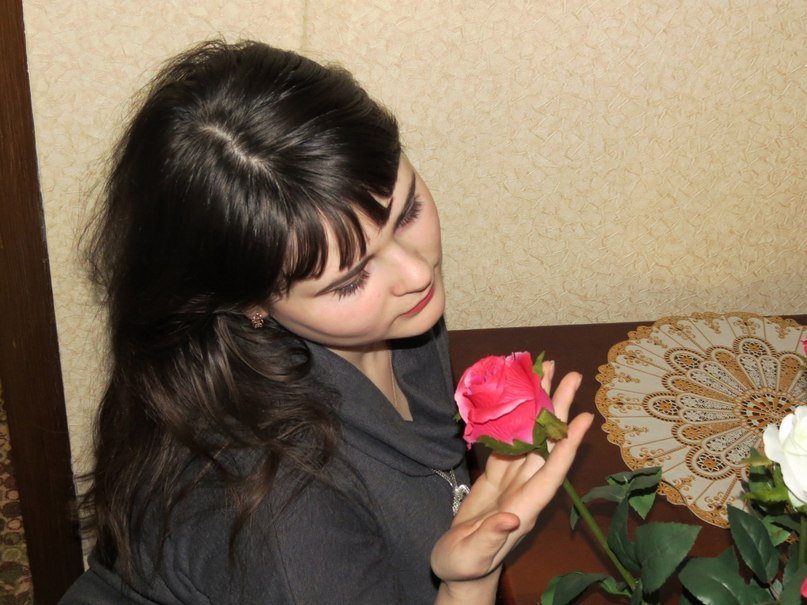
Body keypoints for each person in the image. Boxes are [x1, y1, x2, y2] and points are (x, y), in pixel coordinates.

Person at [60, 39, 592, 604]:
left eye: (406, 212)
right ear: (247, 303)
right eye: (349, 280)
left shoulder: (389, 320)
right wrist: (468, 583)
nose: (416, 272)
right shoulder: (289, 521)